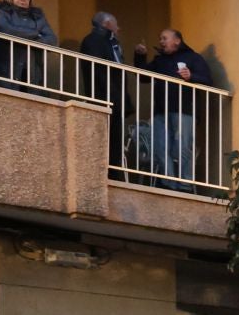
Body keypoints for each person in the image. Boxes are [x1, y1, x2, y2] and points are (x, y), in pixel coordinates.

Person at [134, 28, 211, 190]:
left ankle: (185, 184)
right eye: (160, 39)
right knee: (161, 147)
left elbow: (208, 80)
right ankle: (167, 182)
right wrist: (140, 57)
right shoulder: (160, 60)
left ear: (177, 41)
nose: (161, 42)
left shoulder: (193, 58)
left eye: (164, 38)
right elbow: (142, 76)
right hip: (161, 110)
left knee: (183, 147)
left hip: (184, 110)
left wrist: (191, 77)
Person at [78, 12, 129, 171]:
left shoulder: (111, 42)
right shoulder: (93, 41)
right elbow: (99, 71)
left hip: (114, 97)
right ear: (106, 24)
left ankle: (115, 173)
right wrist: (112, 93)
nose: (118, 27)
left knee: (115, 140)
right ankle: (104, 173)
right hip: (103, 97)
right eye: (115, 24)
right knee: (103, 138)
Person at [0, 0, 56, 87]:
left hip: (32, 67)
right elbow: (5, 29)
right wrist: (35, 34)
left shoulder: (37, 16)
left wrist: (28, 38)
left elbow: (51, 39)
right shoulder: (1, 11)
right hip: (6, 66)